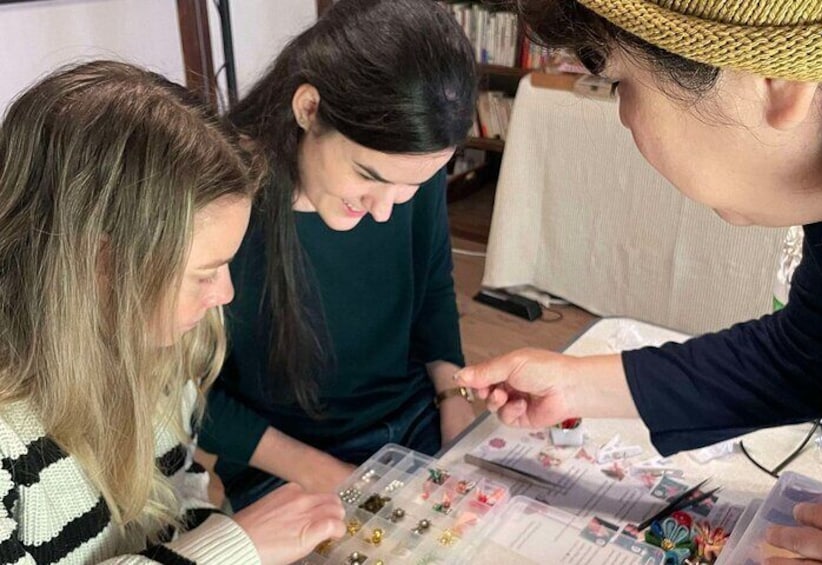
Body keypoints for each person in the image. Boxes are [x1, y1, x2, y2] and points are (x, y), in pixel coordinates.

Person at [453, 1, 822, 562]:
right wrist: (576, 385)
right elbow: (810, 355)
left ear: (779, 81)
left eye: (619, 85)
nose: (624, 118)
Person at [0, 60, 344, 565]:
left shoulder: (157, 347)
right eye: (205, 273)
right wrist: (232, 547)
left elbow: (177, 491)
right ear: (100, 262)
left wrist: (216, 524)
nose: (224, 294)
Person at [196, 0, 478, 510]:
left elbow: (433, 287)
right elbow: (185, 395)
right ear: (308, 109)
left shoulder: (408, 168)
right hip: (283, 456)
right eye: (369, 177)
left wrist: (453, 396)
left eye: (411, 186)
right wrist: (324, 474)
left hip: (411, 420)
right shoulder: (221, 204)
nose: (384, 211)